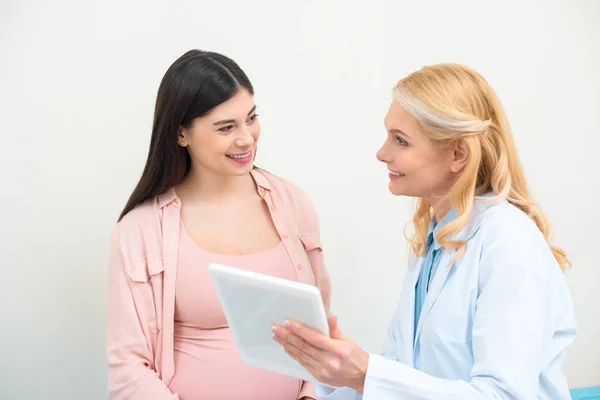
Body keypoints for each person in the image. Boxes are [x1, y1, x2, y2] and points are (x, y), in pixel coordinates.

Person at [273, 63, 577, 399]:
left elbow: (504, 395)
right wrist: (338, 374)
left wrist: (366, 375)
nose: (382, 153)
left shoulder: (508, 241)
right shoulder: (435, 242)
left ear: (457, 154)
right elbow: (405, 374)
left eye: (400, 141)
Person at [106, 49, 331, 400]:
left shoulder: (292, 204)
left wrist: (311, 396)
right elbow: (128, 368)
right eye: (226, 127)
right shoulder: (140, 230)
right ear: (182, 134)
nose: (246, 138)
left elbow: (321, 329)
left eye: (251, 118)